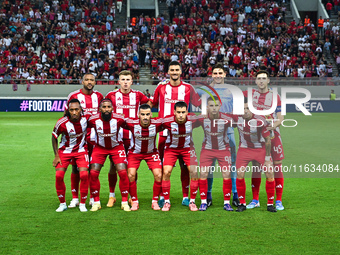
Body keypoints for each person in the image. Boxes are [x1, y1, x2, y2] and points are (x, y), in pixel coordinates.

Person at [151, 61, 201, 207]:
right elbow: (153, 103)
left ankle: (186, 197)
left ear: (181, 72)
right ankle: (161, 195)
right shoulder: (160, 87)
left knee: (185, 167)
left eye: (176, 70)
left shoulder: (188, 88)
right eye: (171, 69)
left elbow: (198, 104)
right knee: (162, 168)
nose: (174, 72)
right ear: (168, 71)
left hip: (184, 134)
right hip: (164, 133)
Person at [105, 70, 151, 207]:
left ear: (132, 81)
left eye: (128, 79)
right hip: (116, 137)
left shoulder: (138, 95)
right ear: (118, 81)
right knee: (113, 166)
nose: (125, 82)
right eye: (123, 79)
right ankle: (112, 195)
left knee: (132, 168)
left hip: (133, 137)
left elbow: (148, 103)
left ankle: (132, 195)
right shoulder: (111, 95)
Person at [244, 70, 285, 211]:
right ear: (255, 81)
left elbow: (281, 117)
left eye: (264, 78)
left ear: (268, 81)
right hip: (256, 137)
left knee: (277, 165)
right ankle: (255, 199)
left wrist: (274, 125)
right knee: (256, 166)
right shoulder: (250, 95)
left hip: (273, 136)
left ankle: (278, 200)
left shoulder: (276, 97)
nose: (261, 81)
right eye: (259, 79)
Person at [199, 63, 239, 207]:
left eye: (220, 73)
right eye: (215, 73)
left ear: (224, 74)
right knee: (209, 166)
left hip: (228, 132)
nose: (217, 75)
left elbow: (237, 112)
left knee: (231, 165)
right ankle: (208, 196)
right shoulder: (205, 91)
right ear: (212, 75)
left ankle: (234, 194)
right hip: (210, 133)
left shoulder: (231, 91)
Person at [230, 98, 277, 213]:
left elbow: (267, 140)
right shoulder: (236, 117)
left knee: (269, 172)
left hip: (260, 148)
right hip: (244, 149)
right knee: (240, 173)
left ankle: (270, 204)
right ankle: (242, 203)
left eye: (248, 108)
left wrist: (267, 158)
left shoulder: (260, 120)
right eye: (243, 109)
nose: (245, 111)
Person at [65, 73, 103, 208]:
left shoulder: (99, 97)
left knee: (93, 169)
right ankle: (75, 198)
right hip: (79, 139)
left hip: (95, 139)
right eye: (87, 79)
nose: (89, 82)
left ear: (95, 82)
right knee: (75, 168)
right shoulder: (74, 96)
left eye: (91, 80)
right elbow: (66, 116)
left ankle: (93, 196)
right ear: (82, 81)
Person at [87, 99, 131, 212]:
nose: (106, 109)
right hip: (100, 148)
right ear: (100, 108)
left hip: (116, 147)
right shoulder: (93, 120)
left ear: (112, 108)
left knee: (122, 171)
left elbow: (131, 126)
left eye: (109, 107)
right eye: (104, 107)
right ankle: (96, 202)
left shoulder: (119, 119)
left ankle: (124, 201)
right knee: (93, 172)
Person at [161, 101, 201, 211]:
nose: (181, 115)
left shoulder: (193, 119)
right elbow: (154, 126)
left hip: (187, 148)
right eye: (178, 112)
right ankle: (166, 202)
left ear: (187, 112)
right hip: (171, 149)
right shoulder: (167, 120)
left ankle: (192, 201)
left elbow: (205, 119)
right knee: (166, 172)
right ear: (174, 112)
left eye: (183, 112)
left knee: (194, 172)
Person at [52, 99, 90, 212]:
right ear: (68, 110)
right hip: (64, 151)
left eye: (76, 110)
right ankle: (62, 204)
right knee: (59, 176)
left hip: (81, 150)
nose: (74, 112)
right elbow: (54, 137)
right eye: (72, 110)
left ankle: (82, 203)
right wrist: (56, 155)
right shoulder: (62, 122)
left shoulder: (86, 118)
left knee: (84, 175)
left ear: (80, 110)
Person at [197, 96, 234, 211]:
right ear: (207, 107)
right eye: (211, 106)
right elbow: (187, 121)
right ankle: (203, 202)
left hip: (223, 150)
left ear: (220, 106)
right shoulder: (201, 119)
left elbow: (242, 122)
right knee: (203, 174)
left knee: (227, 175)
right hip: (207, 150)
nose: (214, 108)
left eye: (216, 105)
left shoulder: (227, 119)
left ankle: (227, 203)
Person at [124, 104, 163, 211]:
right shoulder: (131, 123)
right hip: (135, 153)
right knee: (131, 175)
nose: (145, 117)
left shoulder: (157, 123)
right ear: (138, 115)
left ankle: (155, 201)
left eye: (147, 114)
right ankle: (134, 201)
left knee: (159, 175)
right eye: (142, 115)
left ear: (151, 114)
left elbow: (169, 122)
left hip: (151, 153)